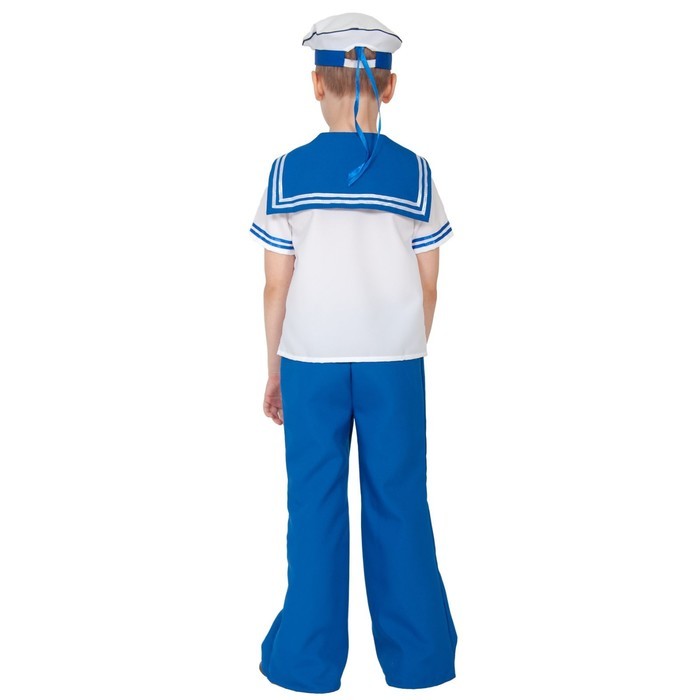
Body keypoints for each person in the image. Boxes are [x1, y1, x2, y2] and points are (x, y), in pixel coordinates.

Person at [248, 12, 458, 693]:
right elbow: (430, 283)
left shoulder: (286, 174)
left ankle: (305, 663)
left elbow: (275, 286)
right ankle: (420, 659)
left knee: (314, 507)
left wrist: (273, 369)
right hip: (394, 362)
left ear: (316, 83)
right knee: (400, 501)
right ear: (389, 88)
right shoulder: (416, 175)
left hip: (309, 360)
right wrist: (405, 344)